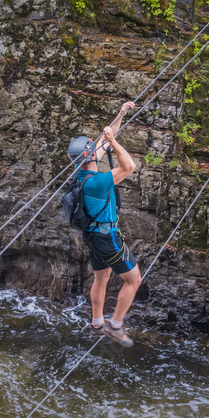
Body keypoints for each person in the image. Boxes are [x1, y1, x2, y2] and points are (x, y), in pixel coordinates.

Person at [67, 101, 141, 347]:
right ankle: (115, 326)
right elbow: (129, 166)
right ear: (89, 156)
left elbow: (104, 142)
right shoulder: (97, 182)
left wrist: (121, 114)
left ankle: (97, 324)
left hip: (91, 235)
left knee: (101, 279)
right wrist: (115, 142)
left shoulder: (80, 172)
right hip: (107, 237)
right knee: (133, 280)